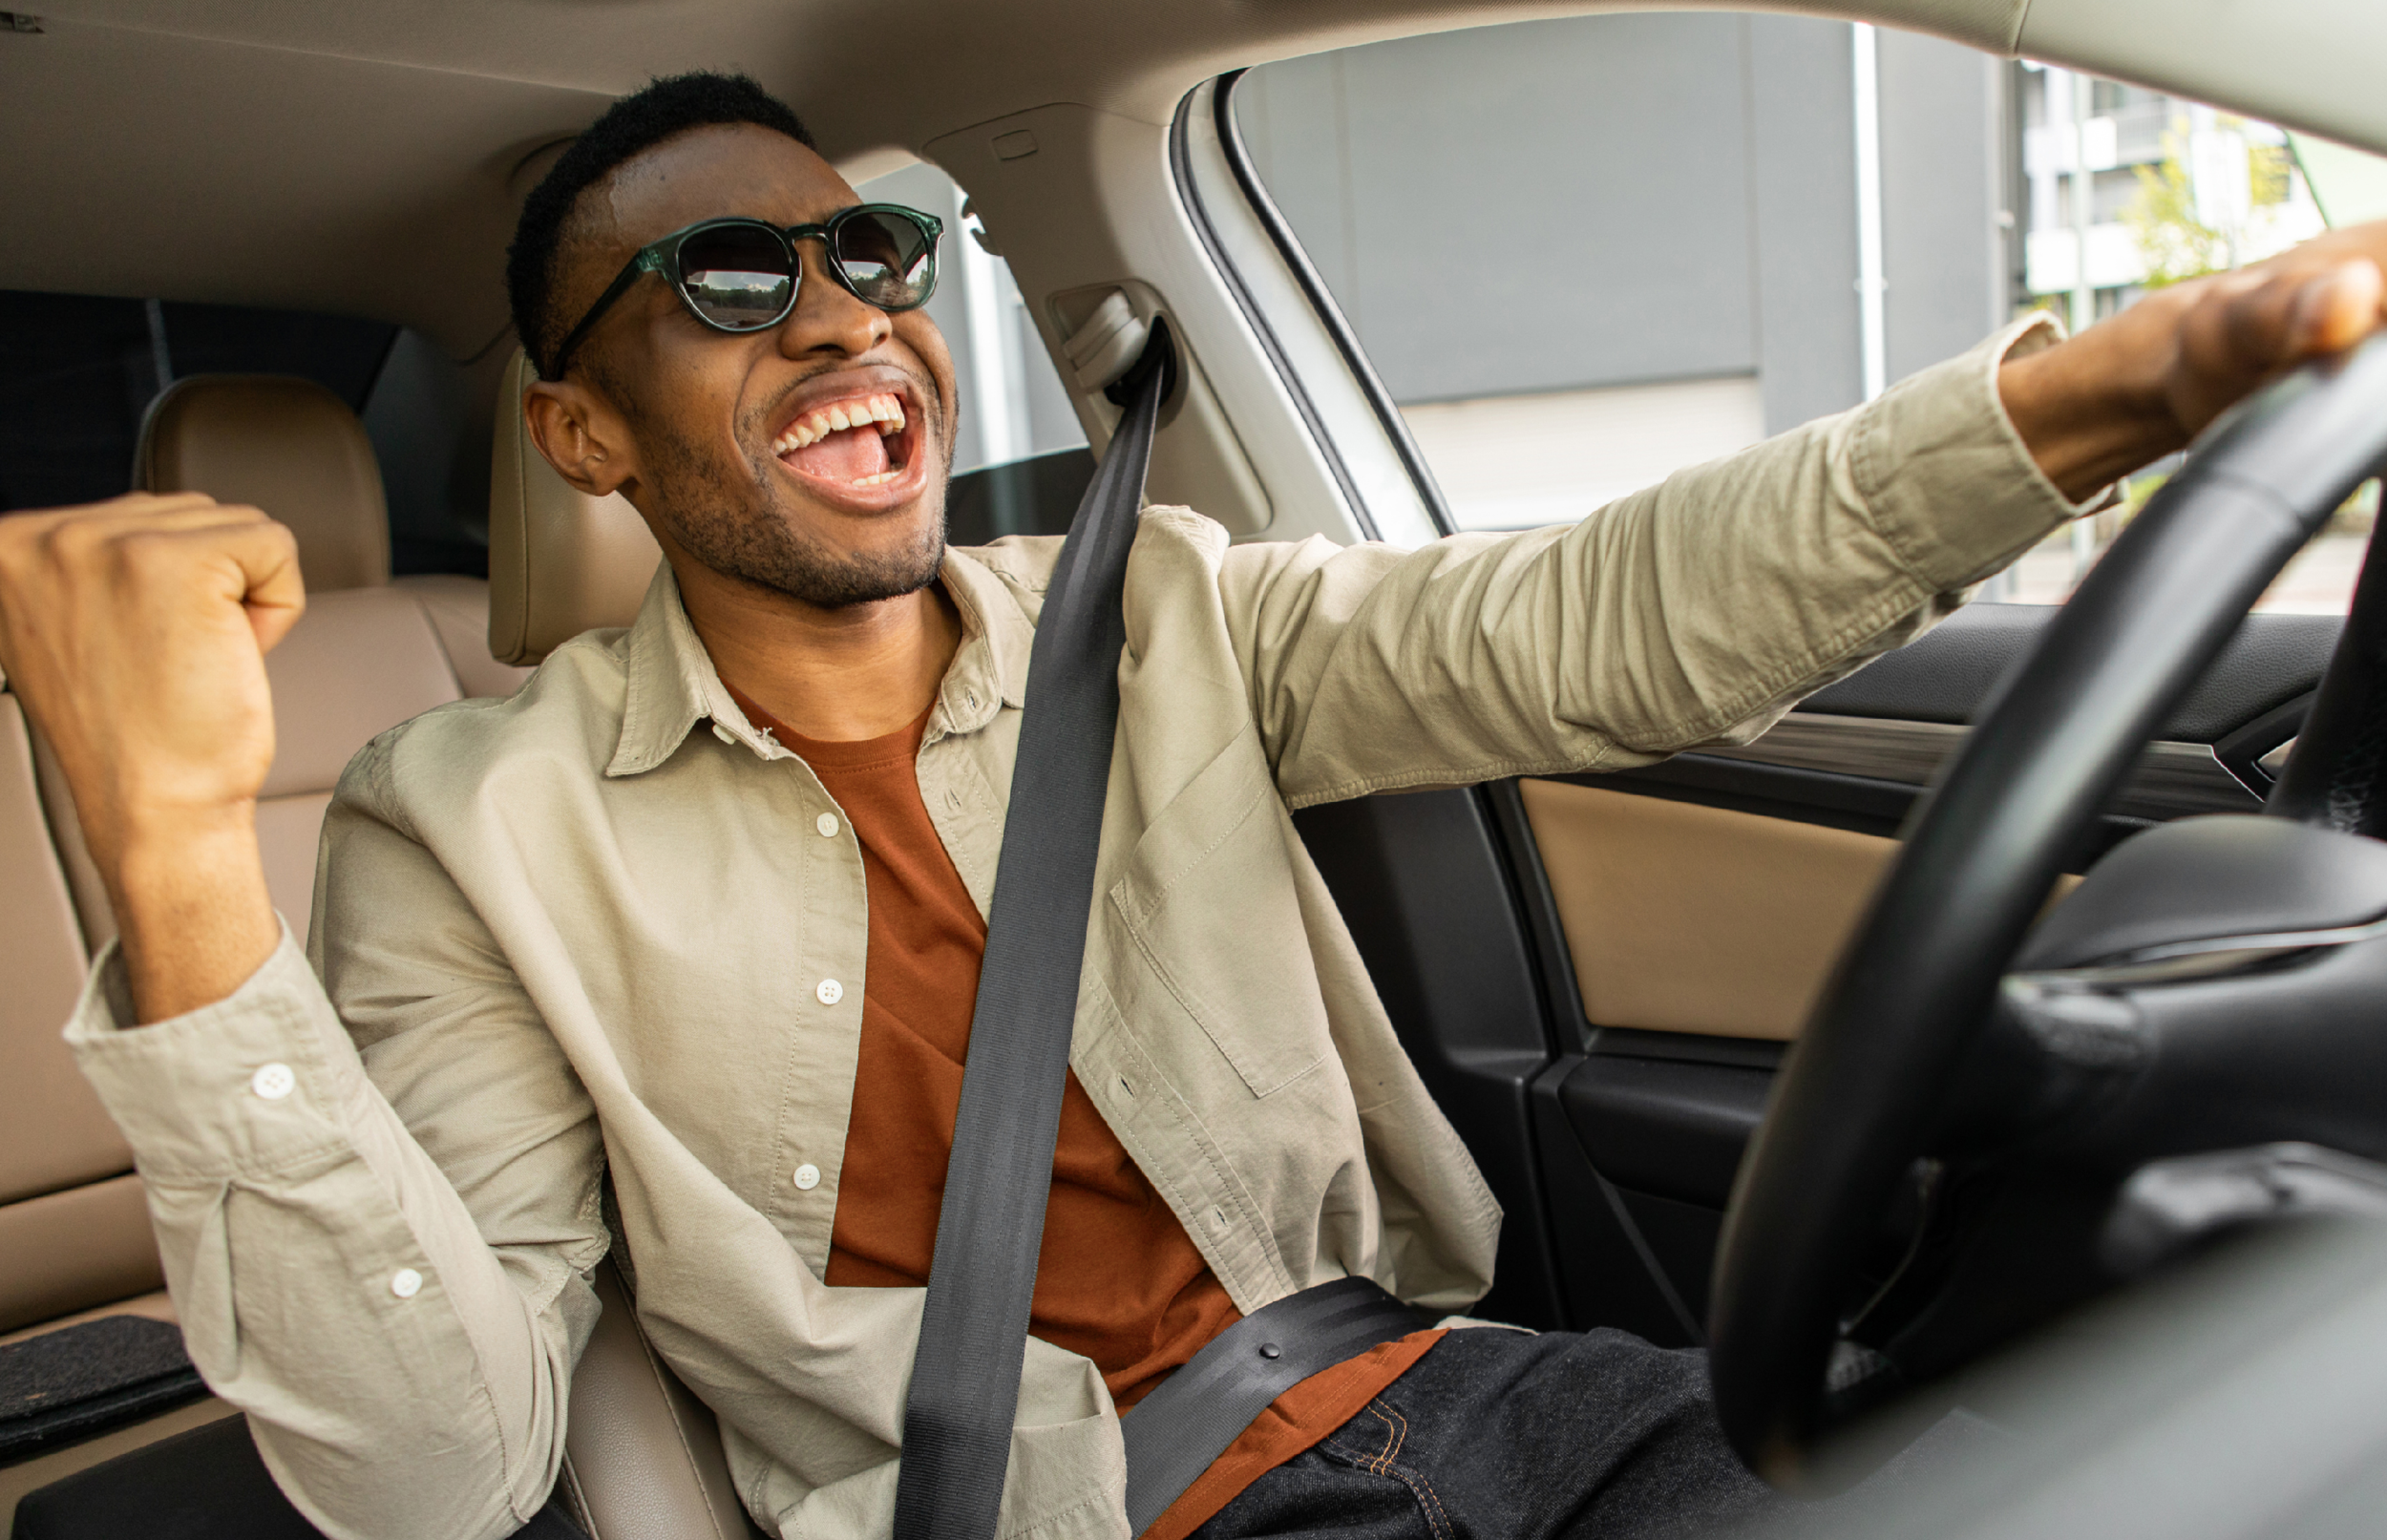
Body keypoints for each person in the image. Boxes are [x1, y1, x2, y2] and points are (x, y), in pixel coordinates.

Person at [3, 69, 2382, 1540]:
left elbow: (1595, 614)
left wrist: (2103, 392)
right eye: (729, 279)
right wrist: (184, 862)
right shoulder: (463, 818)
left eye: (873, 254)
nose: (841, 314)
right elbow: (426, 1471)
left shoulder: (1162, 611)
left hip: (1491, 1406)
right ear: (585, 434)